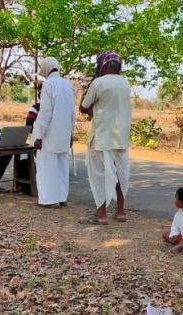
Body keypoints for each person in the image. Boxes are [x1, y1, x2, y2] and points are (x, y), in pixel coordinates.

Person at [78, 51, 131, 225]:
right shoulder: (125, 83)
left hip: (101, 138)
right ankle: (121, 212)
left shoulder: (98, 83)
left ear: (103, 66)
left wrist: (92, 108)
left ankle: (101, 214)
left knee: (99, 175)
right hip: (121, 137)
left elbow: (83, 107)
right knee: (120, 174)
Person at [32, 57, 75, 207]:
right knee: (62, 168)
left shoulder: (48, 84)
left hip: (49, 135)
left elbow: (45, 112)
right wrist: (71, 134)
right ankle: (62, 198)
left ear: (45, 68)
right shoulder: (67, 85)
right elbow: (72, 113)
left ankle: (47, 199)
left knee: (46, 168)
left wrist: (39, 136)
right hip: (64, 133)